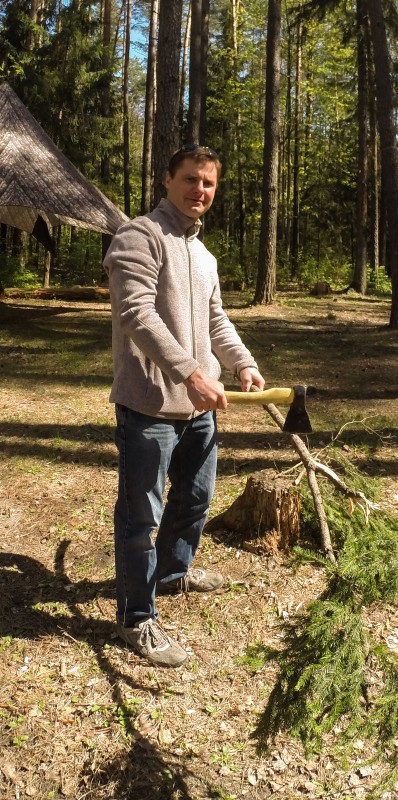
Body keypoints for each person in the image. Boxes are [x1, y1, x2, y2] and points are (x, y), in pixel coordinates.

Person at [104, 145, 265, 668]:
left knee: (195, 500)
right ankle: (136, 618)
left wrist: (240, 363)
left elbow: (217, 320)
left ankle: (174, 573)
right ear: (168, 179)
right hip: (150, 405)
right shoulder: (138, 236)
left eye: (209, 184)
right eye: (191, 179)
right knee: (139, 517)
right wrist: (190, 372)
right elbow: (136, 314)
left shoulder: (204, 254)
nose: (201, 190)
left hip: (201, 408)